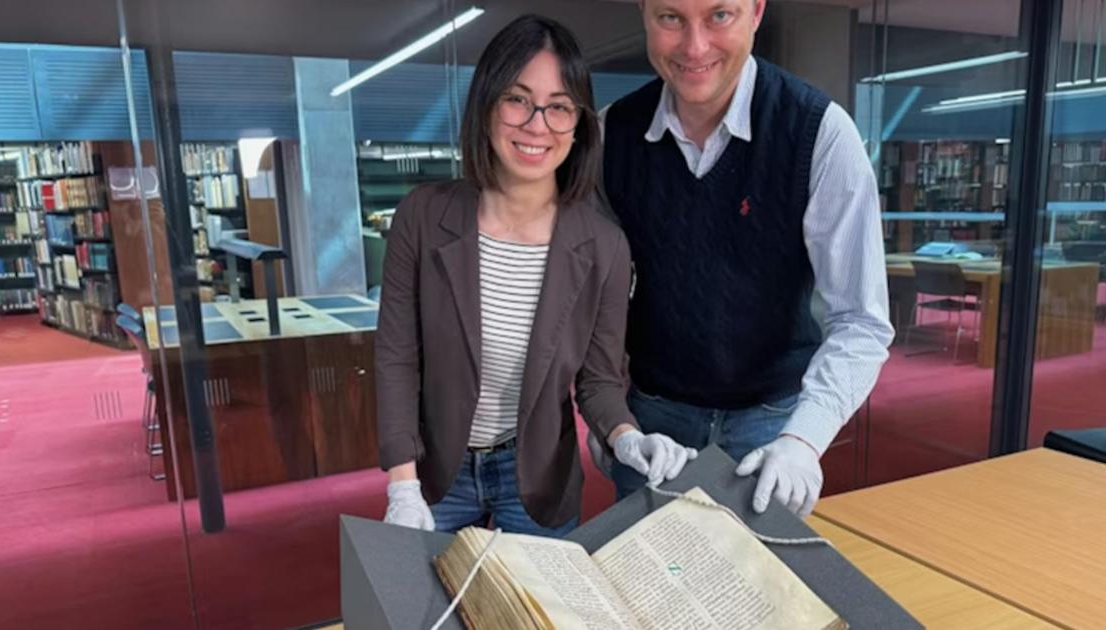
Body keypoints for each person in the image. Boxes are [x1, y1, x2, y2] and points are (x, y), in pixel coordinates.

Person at [376, 14, 696, 537]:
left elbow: (598, 382)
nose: (537, 124)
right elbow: (396, 359)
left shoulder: (604, 247)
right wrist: (401, 486)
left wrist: (627, 437)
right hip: (434, 473)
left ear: (579, 124)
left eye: (559, 107)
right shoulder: (423, 216)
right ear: (486, 106)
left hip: (537, 476)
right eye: (517, 99)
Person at [593, 0, 894, 518]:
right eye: (670, 18)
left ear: (756, 11)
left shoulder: (819, 133)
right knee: (645, 586)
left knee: (753, 592)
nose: (695, 46)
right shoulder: (609, 136)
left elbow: (861, 322)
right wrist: (611, 427)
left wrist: (803, 440)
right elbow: (587, 302)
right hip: (655, 421)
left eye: (719, 16)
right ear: (643, 12)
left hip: (772, 419)